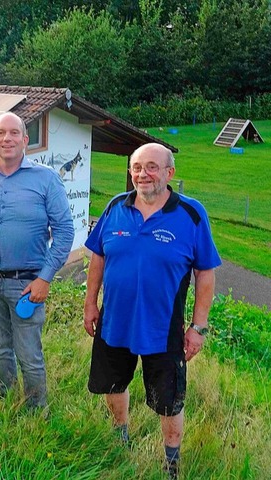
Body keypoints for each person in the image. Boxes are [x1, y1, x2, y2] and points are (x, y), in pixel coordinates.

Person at [83, 143, 221, 479]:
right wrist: (90, 303)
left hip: (164, 330)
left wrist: (197, 327)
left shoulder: (191, 214)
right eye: (137, 167)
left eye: (152, 167)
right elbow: (98, 257)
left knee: (169, 400)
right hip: (113, 322)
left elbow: (205, 273)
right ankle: (121, 436)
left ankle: (171, 462)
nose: (143, 174)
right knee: (113, 385)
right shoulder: (116, 206)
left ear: (169, 173)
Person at [0, 112, 74, 410]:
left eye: (14, 133)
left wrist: (45, 278)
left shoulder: (46, 179)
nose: (7, 139)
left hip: (27, 282)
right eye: (1, 133)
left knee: (29, 354)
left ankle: (36, 411)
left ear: (25, 140)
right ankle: (5, 402)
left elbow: (64, 231)